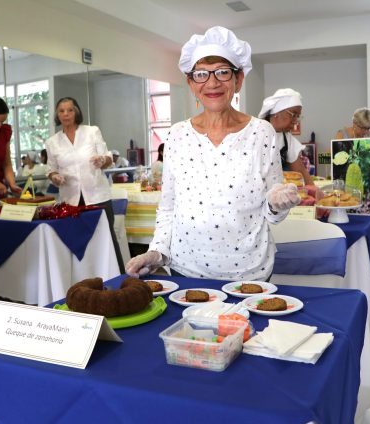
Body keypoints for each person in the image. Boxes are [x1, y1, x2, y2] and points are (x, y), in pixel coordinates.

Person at [126, 26, 300, 281]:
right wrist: (157, 252)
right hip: (185, 270)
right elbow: (168, 207)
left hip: (249, 273)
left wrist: (278, 204)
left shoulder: (262, 133)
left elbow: (273, 211)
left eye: (222, 72)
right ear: (191, 83)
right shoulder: (177, 135)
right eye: (201, 74)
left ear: (238, 80)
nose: (212, 82)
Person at [45, 96, 125, 272]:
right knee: (76, 243)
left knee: (107, 241)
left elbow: (108, 158)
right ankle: (84, 282)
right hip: (70, 201)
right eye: (61, 111)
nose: (66, 114)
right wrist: (55, 177)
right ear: (57, 115)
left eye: (70, 110)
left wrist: (102, 159)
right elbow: (51, 170)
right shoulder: (52, 142)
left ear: (77, 112)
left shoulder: (92, 131)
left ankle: (119, 281)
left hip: (97, 196)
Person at [258, 88, 314, 186]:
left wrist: (314, 191)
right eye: (293, 115)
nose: (296, 121)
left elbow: (300, 171)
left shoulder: (287, 139)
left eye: (298, 116)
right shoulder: (257, 133)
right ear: (276, 113)